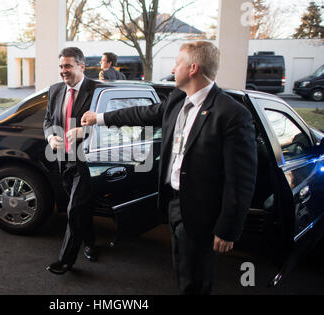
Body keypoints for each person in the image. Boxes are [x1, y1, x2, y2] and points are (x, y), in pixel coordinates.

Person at [81, 41, 257, 294]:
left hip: (202, 214)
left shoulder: (231, 114)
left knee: (196, 280)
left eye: (177, 63)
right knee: (182, 270)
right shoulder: (177, 100)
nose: (173, 68)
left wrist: (228, 229)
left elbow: (241, 179)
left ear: (193, 68)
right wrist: (99, 118)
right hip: (173, 205)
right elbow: (143, 114)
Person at [43, 47, 98, 275]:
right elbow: (48, 120)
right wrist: (50, 137)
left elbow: (111, 125)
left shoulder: (96, 91)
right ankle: (91, 243)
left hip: (86, 161)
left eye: (68, 66)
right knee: (80, 206)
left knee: (74, 209)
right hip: (62, 159)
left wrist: (84, 132)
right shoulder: (55, 90)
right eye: (61, 66)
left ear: (81, 66)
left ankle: (65, 261)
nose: (63, 71)